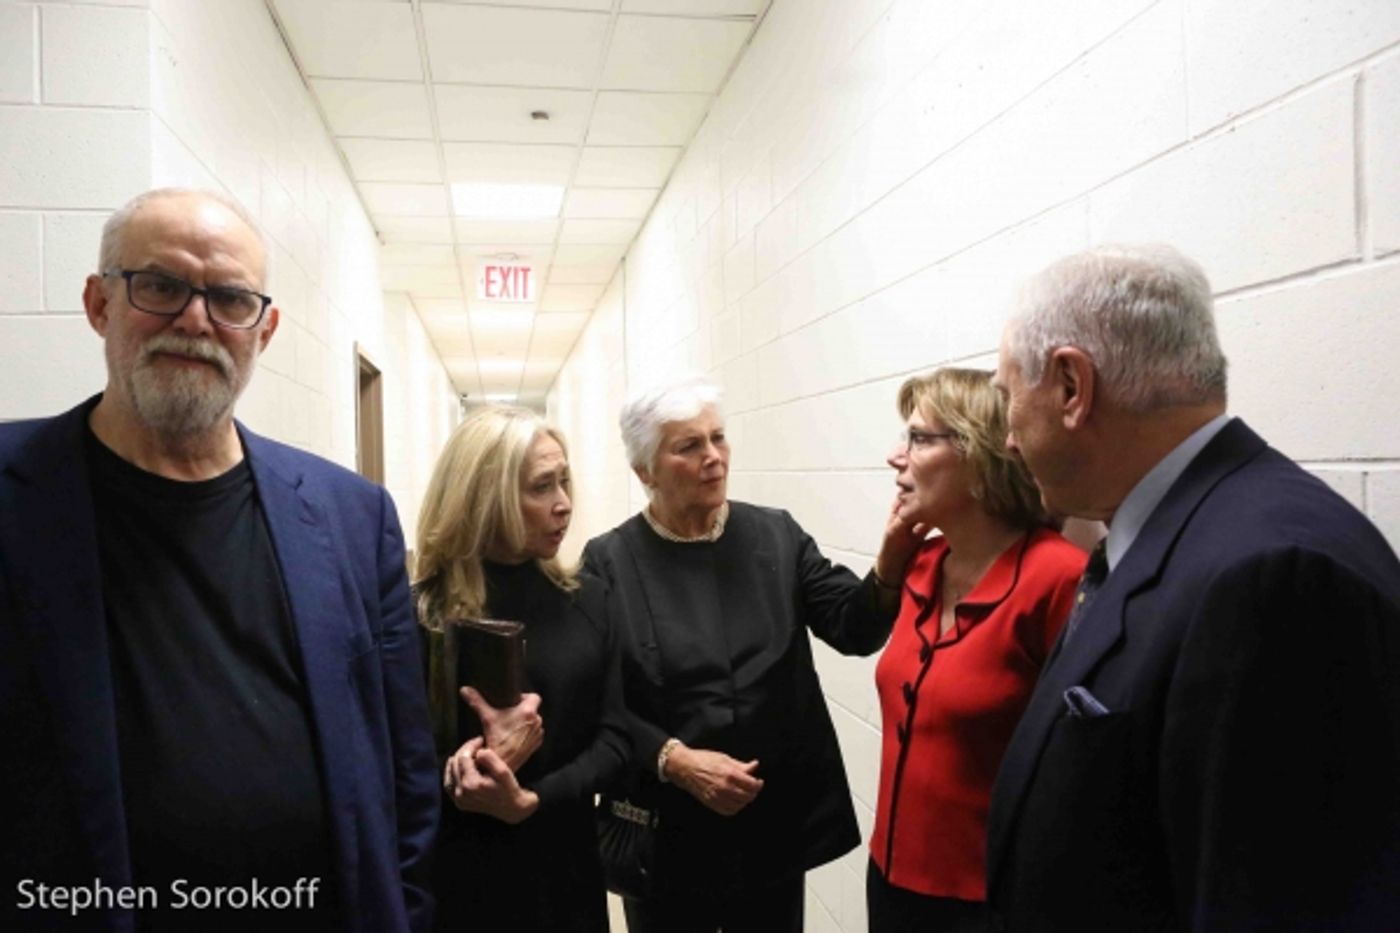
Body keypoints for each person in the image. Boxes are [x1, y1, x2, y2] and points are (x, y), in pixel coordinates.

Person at [0, 188, 439, 931]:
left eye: (230, 298)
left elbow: (405, 771)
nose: (196, 319)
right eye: (162, 286)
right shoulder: (15, 493)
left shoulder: (353, 516)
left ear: (262, 331)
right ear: (99, 303)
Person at [987, 244, 1400, 931]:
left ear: (1070, 387)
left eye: (1008, 398)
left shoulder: (1273, 577)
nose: (1006, 437)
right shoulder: (1163, 532)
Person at [581, 376, 922, 933]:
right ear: (645, 471)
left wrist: (890, 563)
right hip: (666, 831)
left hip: (771, 825)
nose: (713, 457)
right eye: (689, 446)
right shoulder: (609, 563)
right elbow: (596, 697)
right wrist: (674, 759)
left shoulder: (775, 535)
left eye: (718, 438)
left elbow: (852, 628)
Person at [867, 368, 1086, 933]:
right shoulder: (921, 563)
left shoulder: (1057, 579)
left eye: (918, 439)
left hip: (989, 902)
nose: (897, 458)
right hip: (890, 880)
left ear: (978, 453)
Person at [414, 406, 628, 933]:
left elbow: (619, 738)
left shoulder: (589, 601)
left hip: (565, 874)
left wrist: (533, 799)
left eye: (564, 482)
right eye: (541, 487)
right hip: (456, 880)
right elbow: (385, 758)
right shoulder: (418, 614)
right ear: (485, 499)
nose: (564, 504)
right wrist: (467, 772)